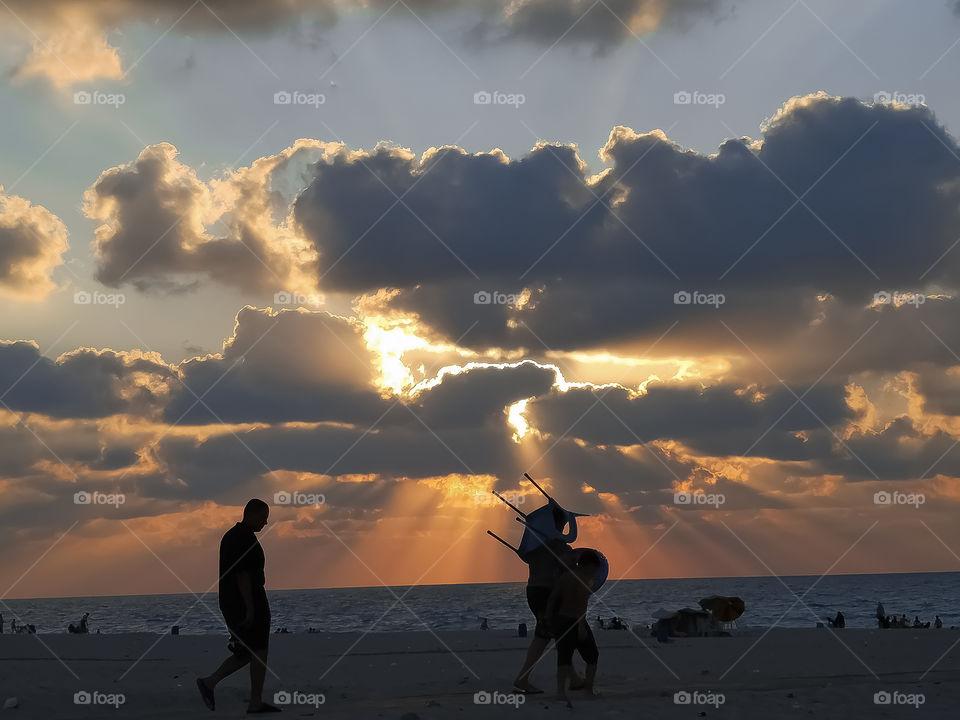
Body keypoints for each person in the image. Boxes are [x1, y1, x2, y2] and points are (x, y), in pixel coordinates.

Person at [197, 499, 279, 714]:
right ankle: (255, 702)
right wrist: (250, 609)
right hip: (244, 602)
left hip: (233, 602)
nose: (265, 523)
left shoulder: (235, 536)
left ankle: (209, 683)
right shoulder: (242, 538)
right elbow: (242, 575)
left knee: (245, 652)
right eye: (263, 517)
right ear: (250, 515)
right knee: (259, 650)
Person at [513, 502, 579, 694]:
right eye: (563, 525)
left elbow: (527, 559)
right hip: (548, 593)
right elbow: (570, 566)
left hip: (532, 591)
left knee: (558, 634)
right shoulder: (559, 546)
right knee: (543, 636)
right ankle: (522, 678)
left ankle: (573, 677)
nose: (564, 528)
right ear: (557, 525)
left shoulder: (534, 545)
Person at [547, 550, 602, 706]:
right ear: (589, 566)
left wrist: (548, 620)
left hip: (560, 620)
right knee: (592, 656)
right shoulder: (584, 579)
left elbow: (552, 599)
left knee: (564, 658)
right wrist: (581, 626)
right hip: (575, 621)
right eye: (594, 568)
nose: (595, 571)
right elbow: (581, 605)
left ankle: (560, 693)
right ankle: (588, 690)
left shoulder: (564, 577)